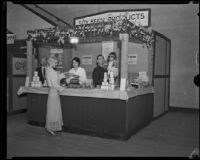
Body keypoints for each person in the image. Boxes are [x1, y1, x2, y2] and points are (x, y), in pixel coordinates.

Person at [45, 56, 65, 135]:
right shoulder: (51, 71)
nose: (56, 64)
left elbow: (55, 80)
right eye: (55, 62)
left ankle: (51, 127)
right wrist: (62, 88)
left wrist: (62, 75)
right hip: (54, 91)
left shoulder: (48, 70)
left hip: (52, 92)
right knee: (53, 110)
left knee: (53, 110)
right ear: (51, 62)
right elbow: (55, 84)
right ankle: (50, 127)